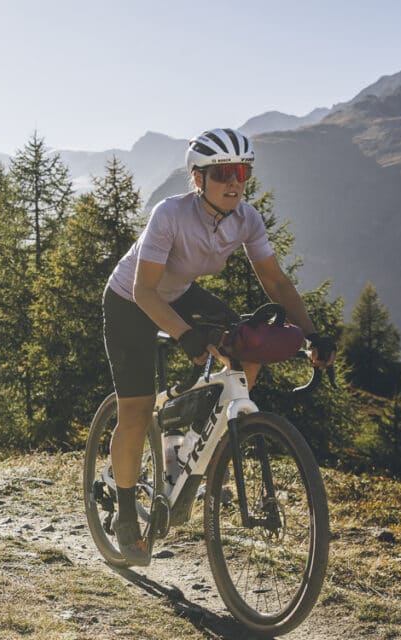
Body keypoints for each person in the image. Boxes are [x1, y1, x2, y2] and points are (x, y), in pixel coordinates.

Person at [101, 128, 336, 565]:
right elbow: (145, 291)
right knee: (136, 408)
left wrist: (310, 334)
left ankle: (193, 442)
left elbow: (276, 282)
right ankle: (127, 511)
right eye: (223, 173)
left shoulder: (246, 218)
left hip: (179, 291)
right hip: (131, 299)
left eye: (242, 173)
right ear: (198, 179)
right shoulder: (169, 214)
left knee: (248, 340)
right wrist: (185, 334)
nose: (235, 182)